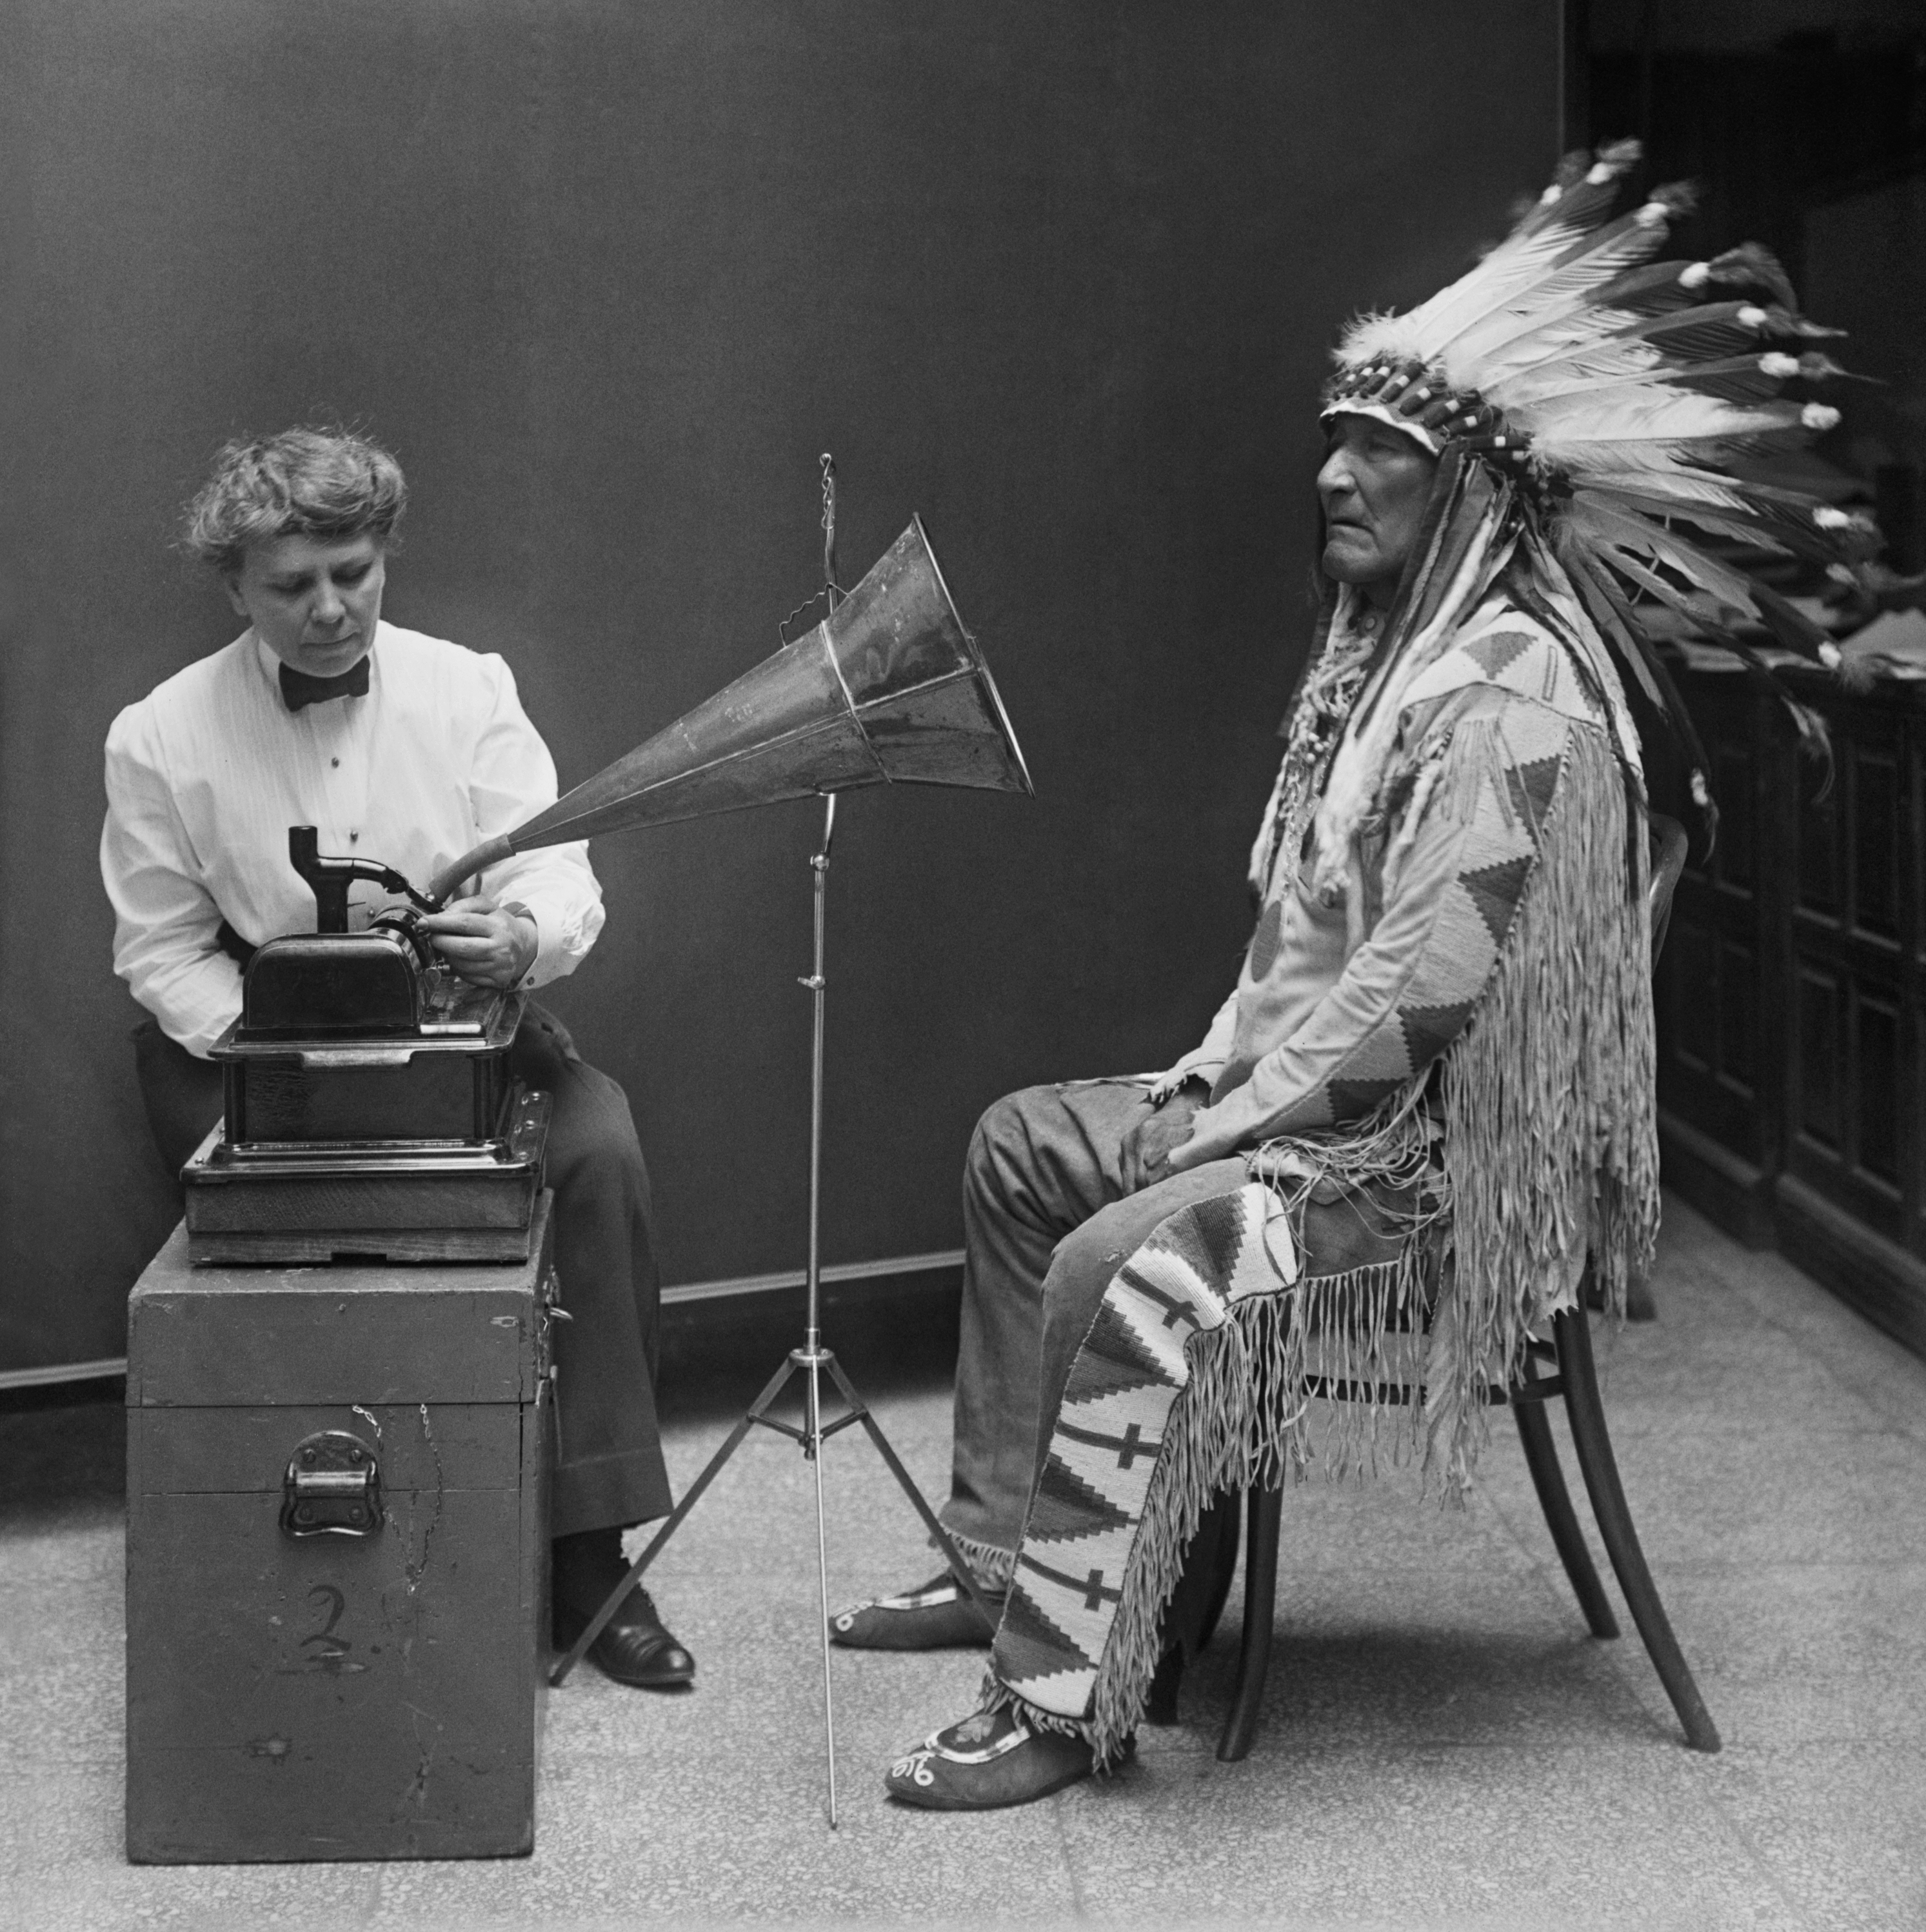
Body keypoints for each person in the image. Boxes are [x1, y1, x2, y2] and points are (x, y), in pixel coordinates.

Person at [834, 143, 1863, 1809]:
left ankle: (1056, 1695)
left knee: (1129, 1248)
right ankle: (1001, 1557)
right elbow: (1317, 946)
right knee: (1027, 1144)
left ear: (1472, 497)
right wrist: (1211, 1084)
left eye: (1380, 449)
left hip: (1421, 1170)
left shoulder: (1515, 695)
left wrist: (1224, 1123)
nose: (1332, 473)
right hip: (1324, 1117)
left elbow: (1418, 1002)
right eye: (1334, 438)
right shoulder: (1398, 664)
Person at [101, 426, 695, 1692]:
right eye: (292, 584)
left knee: (595, 1151)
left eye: (353, 573)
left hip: (451, 1013)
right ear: (235, 587)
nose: (329, 609)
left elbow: (553, 867)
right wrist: (280, 1038)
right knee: (291, 1214)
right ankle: (320, 1536)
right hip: (257, 1045)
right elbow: (156, 951)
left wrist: (522, 933)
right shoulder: (156, 734)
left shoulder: (469, 687)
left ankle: (585, 1548)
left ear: (384, 558)